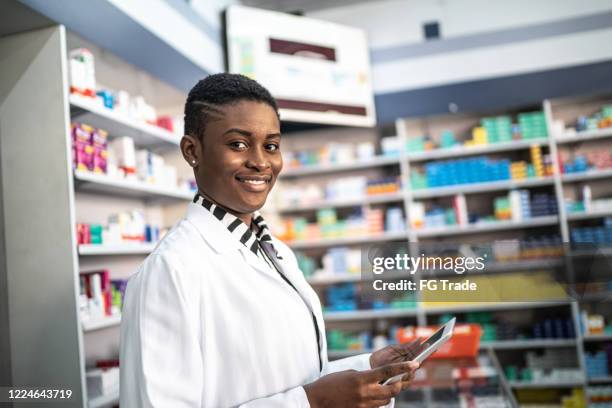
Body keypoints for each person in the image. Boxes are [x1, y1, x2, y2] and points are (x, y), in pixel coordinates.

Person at [120, 73, 422, 407]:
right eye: (237, 144)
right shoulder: (170, 271)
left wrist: (364, 369)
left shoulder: (277, 252)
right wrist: (314, 403)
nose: (261, 162)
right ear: (193, 150)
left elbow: (287, 375)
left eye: (271, 145)